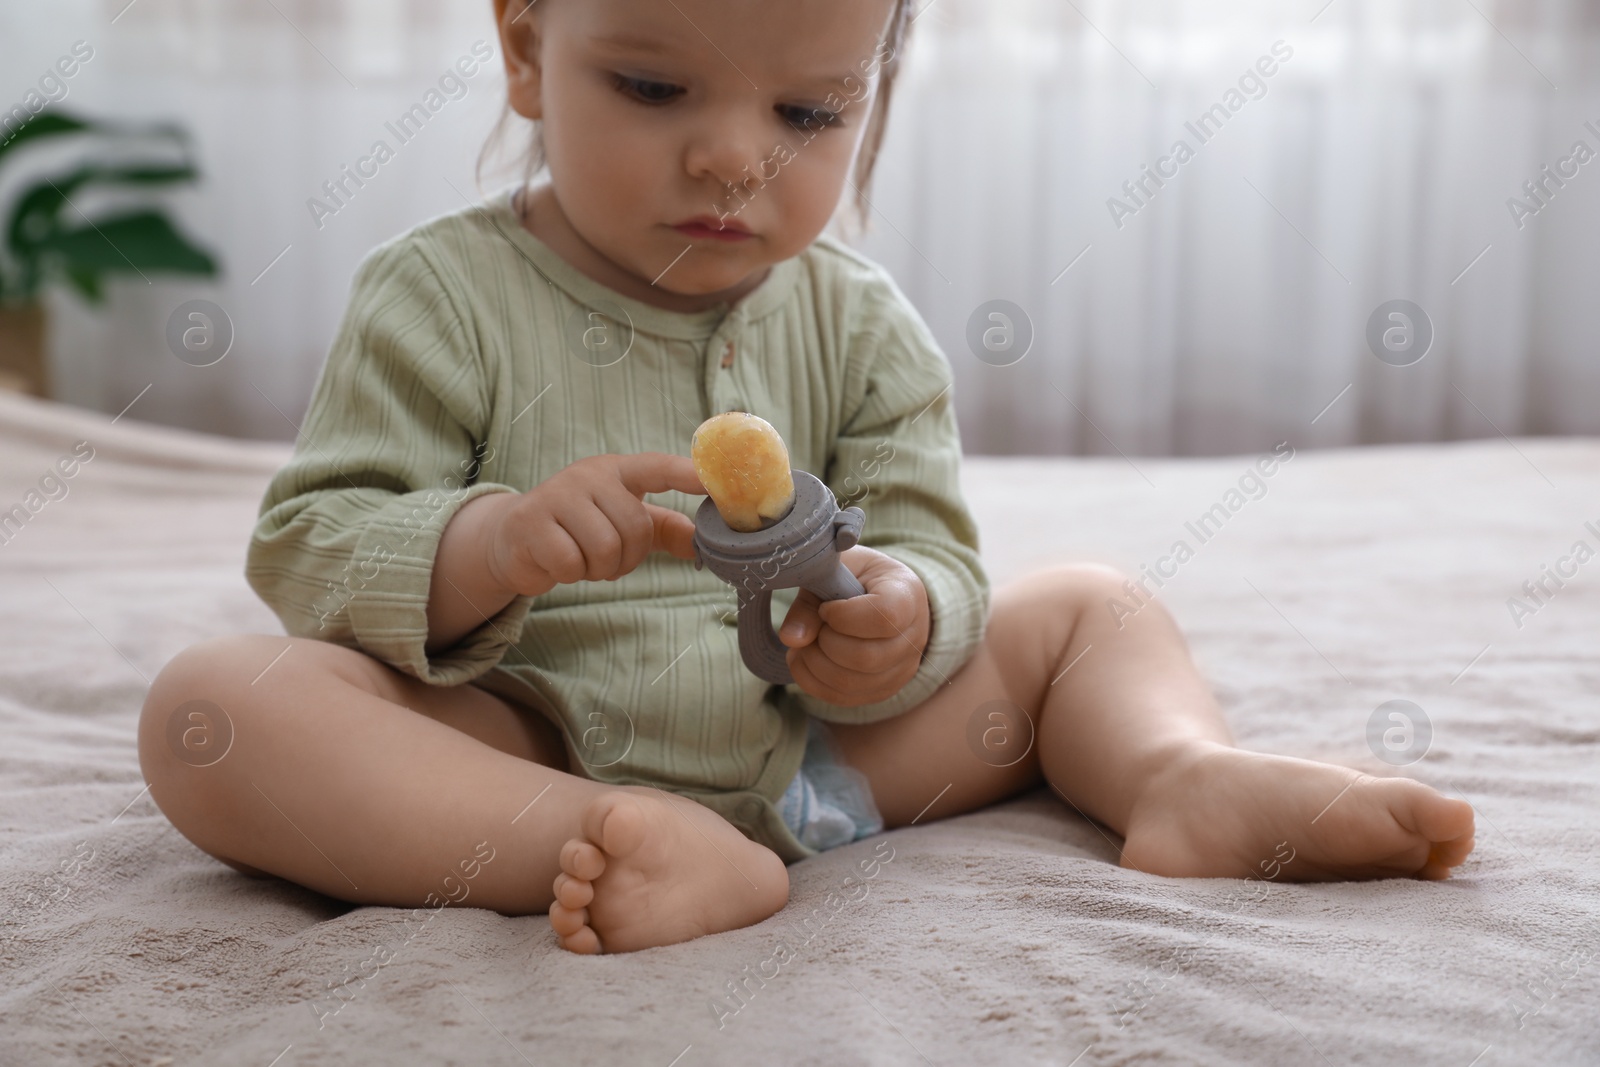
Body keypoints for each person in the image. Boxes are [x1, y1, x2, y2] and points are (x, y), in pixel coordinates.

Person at [138, 0, 1475, 955]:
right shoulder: (437, 295)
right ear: (529, 48)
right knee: (214, 709)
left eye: (807, 110)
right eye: (656, 89)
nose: (736, 156)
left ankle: (1178, 775)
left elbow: (939, 556)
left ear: (867, 101)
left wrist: (903, 610)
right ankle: (604, 837)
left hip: (826, 754)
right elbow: (311, 544)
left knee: (1095, 608)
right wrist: (488, 542)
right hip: (524, 732)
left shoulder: (864, 324)